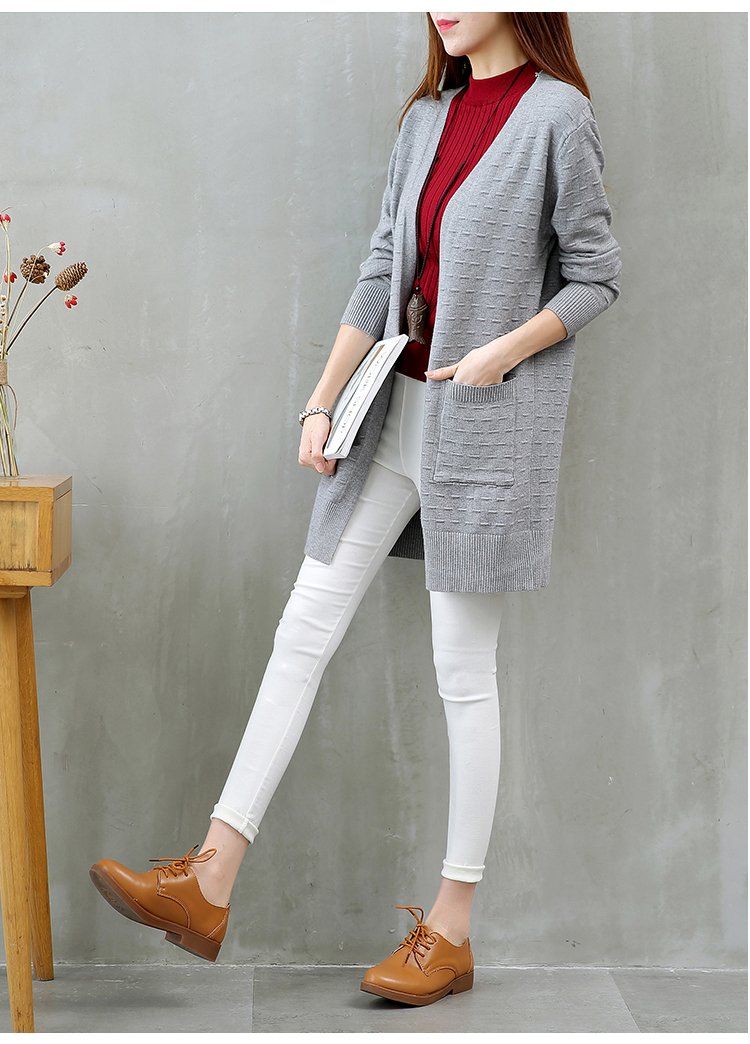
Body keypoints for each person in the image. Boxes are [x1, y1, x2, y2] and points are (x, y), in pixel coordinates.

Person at [90, 12, 621, 1007]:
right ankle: (208, 881)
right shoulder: (426, 118)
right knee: (302, 632)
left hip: (481, 431)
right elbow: (382, 268)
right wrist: (322, 400)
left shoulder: (558, 117)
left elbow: (596, 275)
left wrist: (502, 351)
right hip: (388, 415)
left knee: (463, 674)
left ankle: (451, 932)